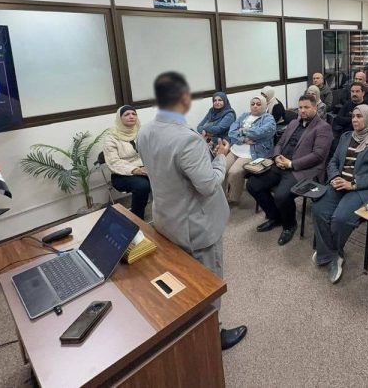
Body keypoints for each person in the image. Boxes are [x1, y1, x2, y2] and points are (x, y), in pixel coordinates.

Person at [136, 72, 246, 351]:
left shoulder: (144, 132)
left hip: (166, 219)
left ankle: (188, 330)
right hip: (196, 225)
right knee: (207, 282)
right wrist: (219, 158)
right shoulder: (187, 139)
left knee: (182, 278)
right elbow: (208, 185)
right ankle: (211, 336)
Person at [311, 105, 368, 284]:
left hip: (364, 188)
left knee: (340, 219)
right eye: (353, 116)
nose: (354, 119)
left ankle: (332, 254)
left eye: (359, 116)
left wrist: (353, 184)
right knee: (319, 209)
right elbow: (333, 162)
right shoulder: (346, 137)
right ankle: (332, 254)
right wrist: (335, 177)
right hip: (340, 183)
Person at [247, 95, 333, 246]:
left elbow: (318, 156)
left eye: (306, 107)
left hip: (302, 169)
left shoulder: (323, 127)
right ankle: (275, 216)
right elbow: (280, 143)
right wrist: (276, 156)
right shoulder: (293, 123)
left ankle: (289, 225)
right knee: (253, 184)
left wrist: (291, 164)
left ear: (315, 108)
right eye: (300, 107)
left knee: (281, 196)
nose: (302, 110)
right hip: (281, 164)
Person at [224, 95, 276, 204]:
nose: (255, 106)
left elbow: (261, 132)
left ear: (264, 105)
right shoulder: (244, 115)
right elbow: (231, 132)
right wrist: (243, 139)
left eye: (258, 104)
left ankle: (232, 198)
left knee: (234, 172)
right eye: (253, 104)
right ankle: (222, 195)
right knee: (222, 168)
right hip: (236, 148)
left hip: (253, 152)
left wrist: (243, 130)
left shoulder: (268, 119)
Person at [103, 105, 151, 219]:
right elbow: (114, 162)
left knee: (166, 177)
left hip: (145, 169)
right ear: (119, 118)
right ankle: (137, 219)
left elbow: (152, 151)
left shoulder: (141, 132)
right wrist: (135, 170)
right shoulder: (111, 137)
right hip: (122, 174)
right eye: (127, 114)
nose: (131, 116)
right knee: (143, 186)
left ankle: (165, 214)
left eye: (134, 114)